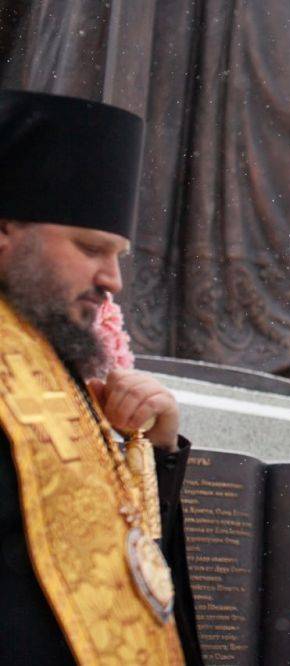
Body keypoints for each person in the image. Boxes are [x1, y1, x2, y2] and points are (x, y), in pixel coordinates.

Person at [0, 90, 202, 664]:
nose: (112, 279)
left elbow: (128, 573)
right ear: (5, 231)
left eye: (119, 255)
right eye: (91, 248)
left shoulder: (54, 362)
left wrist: (152, 450)